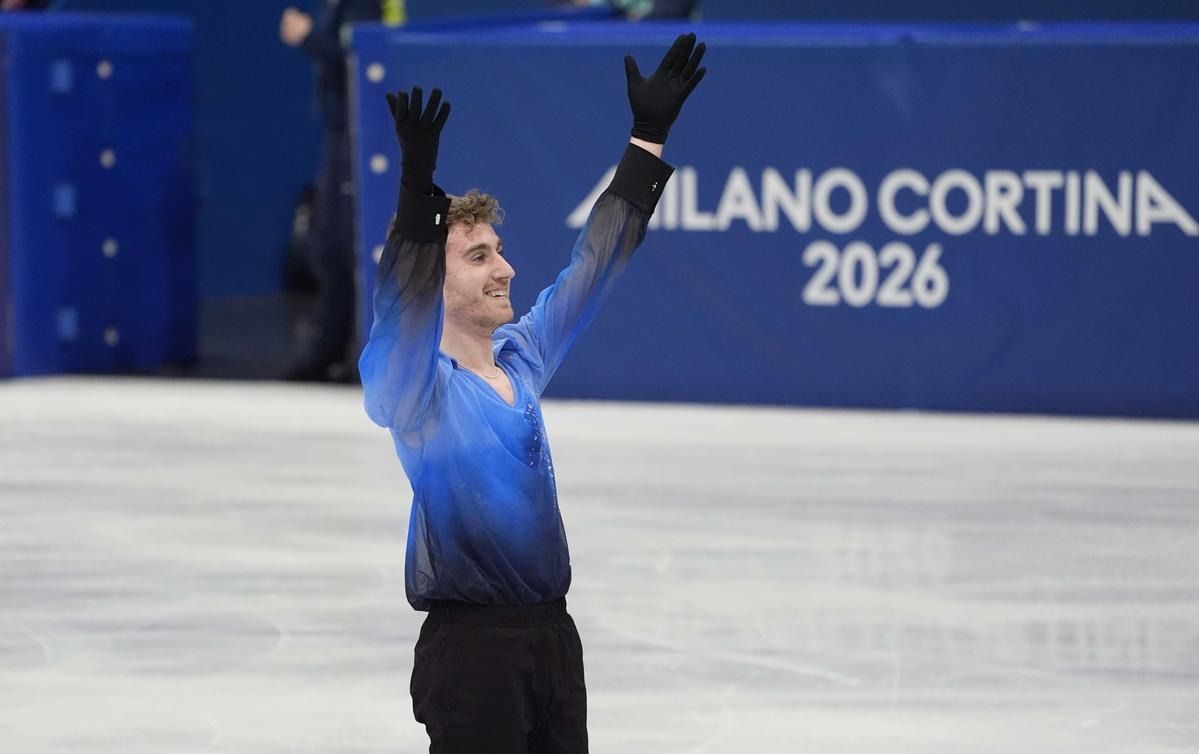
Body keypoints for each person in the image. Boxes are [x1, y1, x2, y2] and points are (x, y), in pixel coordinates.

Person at [359, 32, 707, 754]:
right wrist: (418, 198)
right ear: (436, 281)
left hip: (553, 640)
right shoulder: (418, 393)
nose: (506, 269)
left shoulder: (521, 359)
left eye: (500, 250)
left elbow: (595, 265)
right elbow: (398, 318)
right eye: (478, 256)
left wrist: (646, 138)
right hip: (473, 654)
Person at [280, 1, 394, 381]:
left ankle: (359, 351)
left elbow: (359, 56)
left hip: (359, 131)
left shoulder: (363, 5)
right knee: (328, 243)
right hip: (339, 132)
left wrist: (308, 38)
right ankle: (328, 348)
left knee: (347, 243)